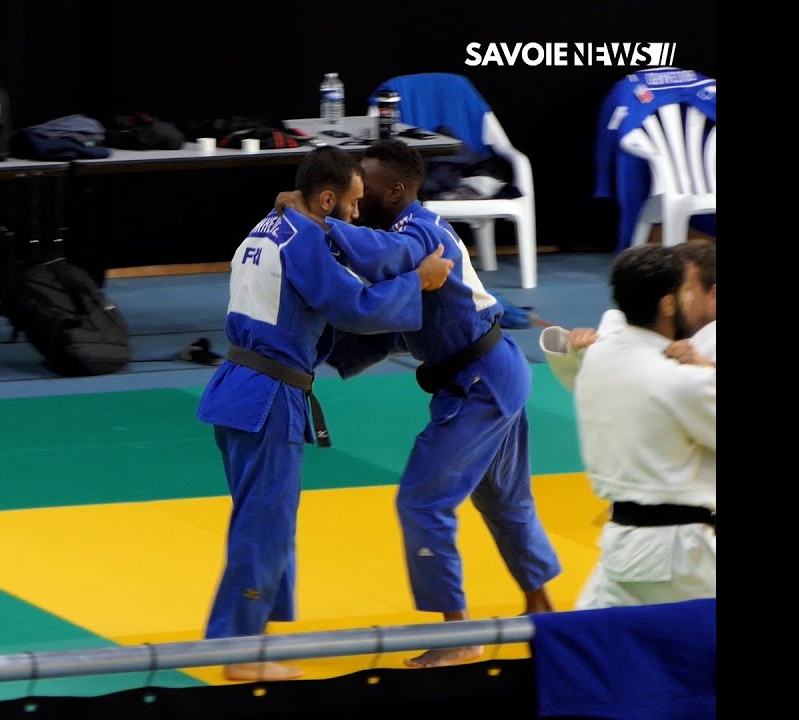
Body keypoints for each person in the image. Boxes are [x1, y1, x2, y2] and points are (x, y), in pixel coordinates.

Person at [275, 139, 562, 668]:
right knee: (505, 502)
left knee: (422, 502)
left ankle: (461, 635)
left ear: (397, 190)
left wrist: (320, 223)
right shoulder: (405, 233)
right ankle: (545, 617)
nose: (356, 194)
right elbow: (389, 327)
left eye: (366, 184)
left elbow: (385, 260)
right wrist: (312, 356)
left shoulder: (418, 232)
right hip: (490, 375)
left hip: (480, 381)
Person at [197, 146, 454, 682]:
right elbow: (353, 306)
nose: (359, 216)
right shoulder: (306, 236)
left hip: (239, 387)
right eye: (355, 204)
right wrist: (420, 281)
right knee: (263, 524)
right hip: (268, 395)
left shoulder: (269, 226)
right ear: (329, 199)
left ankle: (251, 640)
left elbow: (315, 306)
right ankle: (241, 651)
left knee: (263, 519)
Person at [567, 244, 716, 609]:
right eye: (688, 291)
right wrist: (706, 371)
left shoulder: (597, 356)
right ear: (667, 304)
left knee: (590, 649)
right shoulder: (678, 381)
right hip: (685, 559)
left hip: (623, 546)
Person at [540, 240, 715, 389]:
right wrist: (580, 353)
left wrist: (704, 367)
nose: (676, 299)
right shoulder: (626, 325)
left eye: (687, 290)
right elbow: (595, 387)